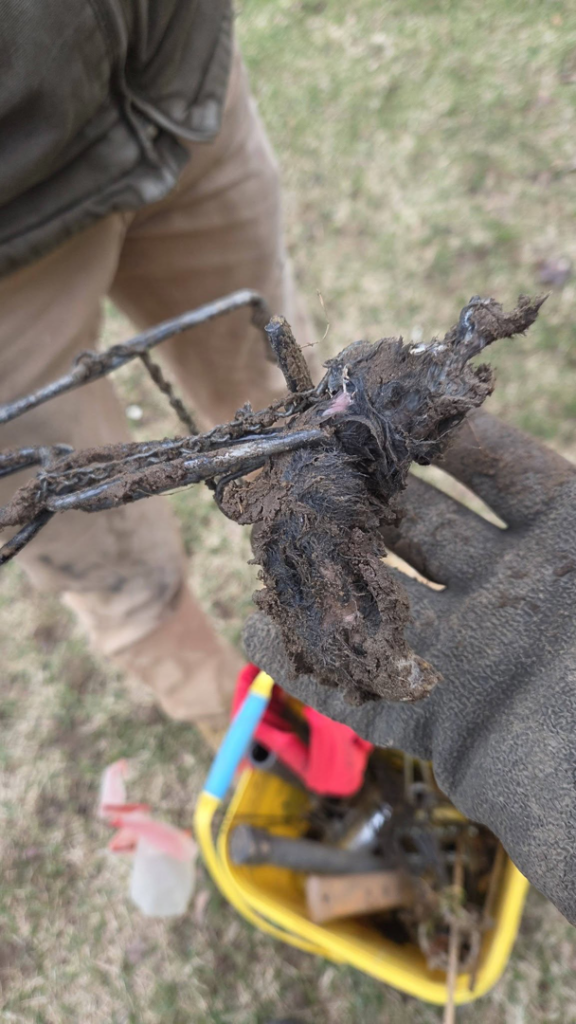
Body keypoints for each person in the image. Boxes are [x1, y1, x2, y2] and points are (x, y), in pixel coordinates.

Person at [2, 1, 575, 928]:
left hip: (170, 80)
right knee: (109, 557)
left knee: (260, 378)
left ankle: (323, 734)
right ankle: (241, 719)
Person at [0, 1, 316, 746]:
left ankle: (364, 641)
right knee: (109, 560)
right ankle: (246, 735)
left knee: (291, 423)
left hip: (173, 78)